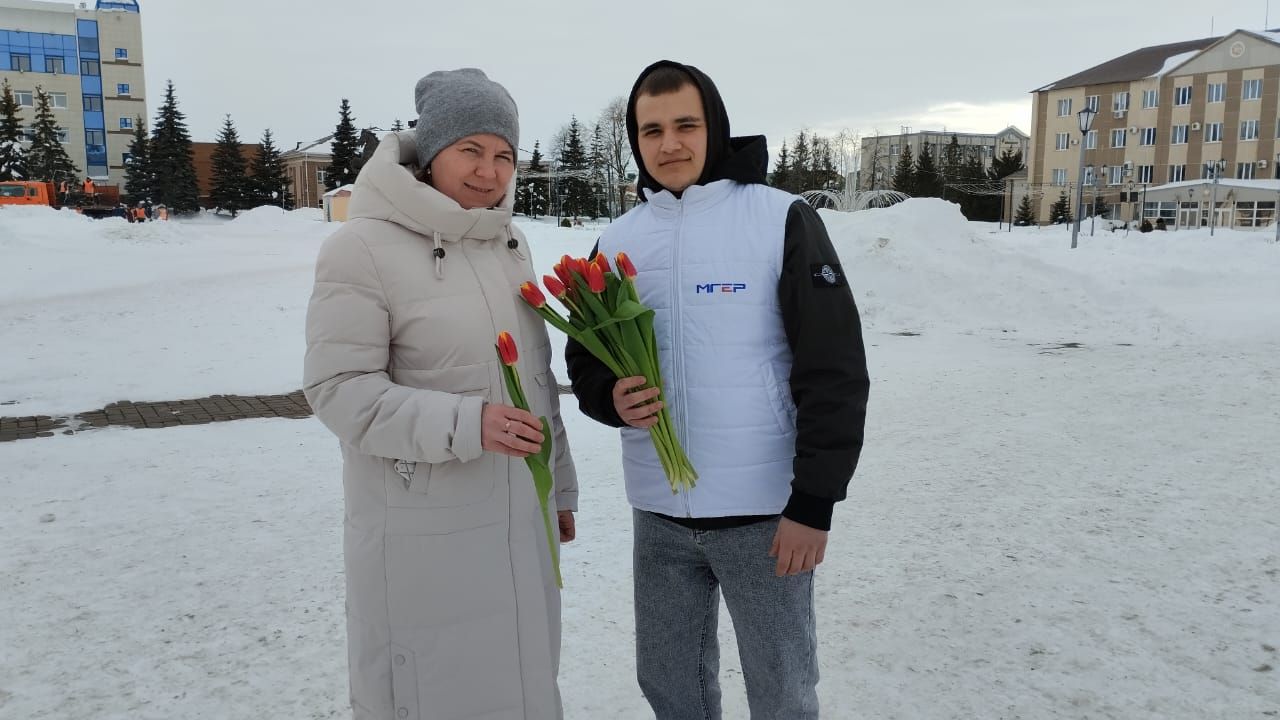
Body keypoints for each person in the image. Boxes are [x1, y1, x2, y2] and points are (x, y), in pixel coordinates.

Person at [566, 60, 870, 719]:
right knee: (672, 687)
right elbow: (586, 357)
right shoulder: (618, 240)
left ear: (716, 128)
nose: (669, 144)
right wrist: (609, 396)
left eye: (685, 125)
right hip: (660, 514)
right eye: (651, 130)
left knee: (782, 688)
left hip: (765, 516)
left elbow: (834, 366)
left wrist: (814, 502)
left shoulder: (778, 217)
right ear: (635, 140)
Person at [303, 68, 579, 720]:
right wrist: (466, 422)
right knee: (439, 693)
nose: (490, 172)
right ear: (432, 155)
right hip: (424, 533)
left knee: (523, 682)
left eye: (504, 155)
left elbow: (536, 382)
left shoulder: (510, 245)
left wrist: (559, 488)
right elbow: (337, 390)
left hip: (519, 517)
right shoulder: (361, 248)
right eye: (471, 151)